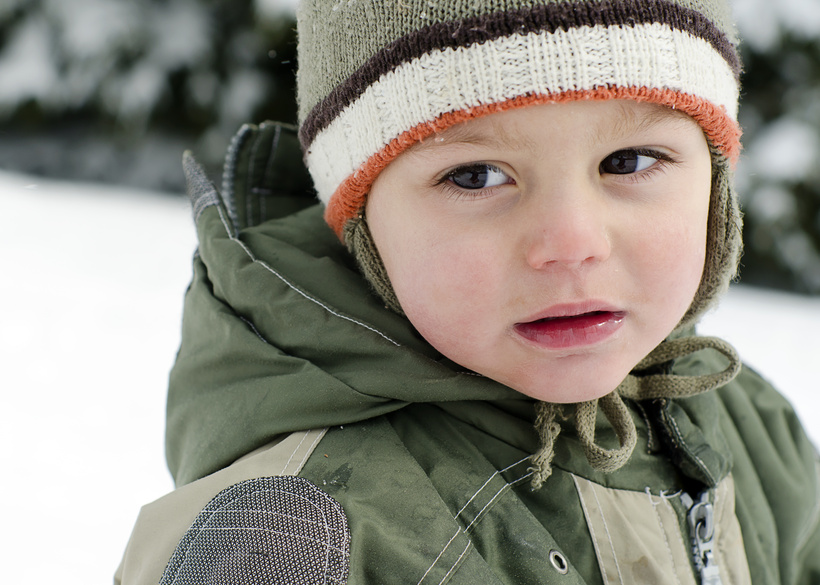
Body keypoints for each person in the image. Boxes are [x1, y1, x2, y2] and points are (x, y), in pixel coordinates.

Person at [116, 0, 820, 583]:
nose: (572, 242)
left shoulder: (743, 423)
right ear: (361, 220)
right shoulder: (295, 539)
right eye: (477, 175)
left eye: (628, 161)